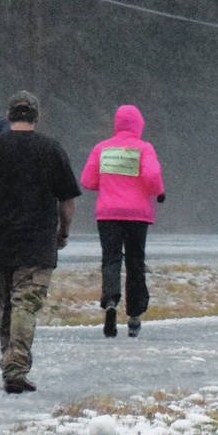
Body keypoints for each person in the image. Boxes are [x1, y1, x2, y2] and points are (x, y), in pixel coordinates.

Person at [0, 91, 80, 392]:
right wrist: (63, 232)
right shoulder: (52, 149)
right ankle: (15, 367)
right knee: (25, 306)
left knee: (8, 307)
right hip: (37, 244)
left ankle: (10, 363)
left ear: (8, 115)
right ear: (37, 116)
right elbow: (67, 201)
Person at [80, 104, 166, 338]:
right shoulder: (144, 148)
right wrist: (158, 191)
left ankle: (110, 301)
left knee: (111, 259)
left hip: (108, 214)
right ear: (139, 125)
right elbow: (152, 175)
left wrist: (108, 184)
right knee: (135, 262)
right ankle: (135, 314)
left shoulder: (102, 149)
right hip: (137, 215)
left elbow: (87, 180)